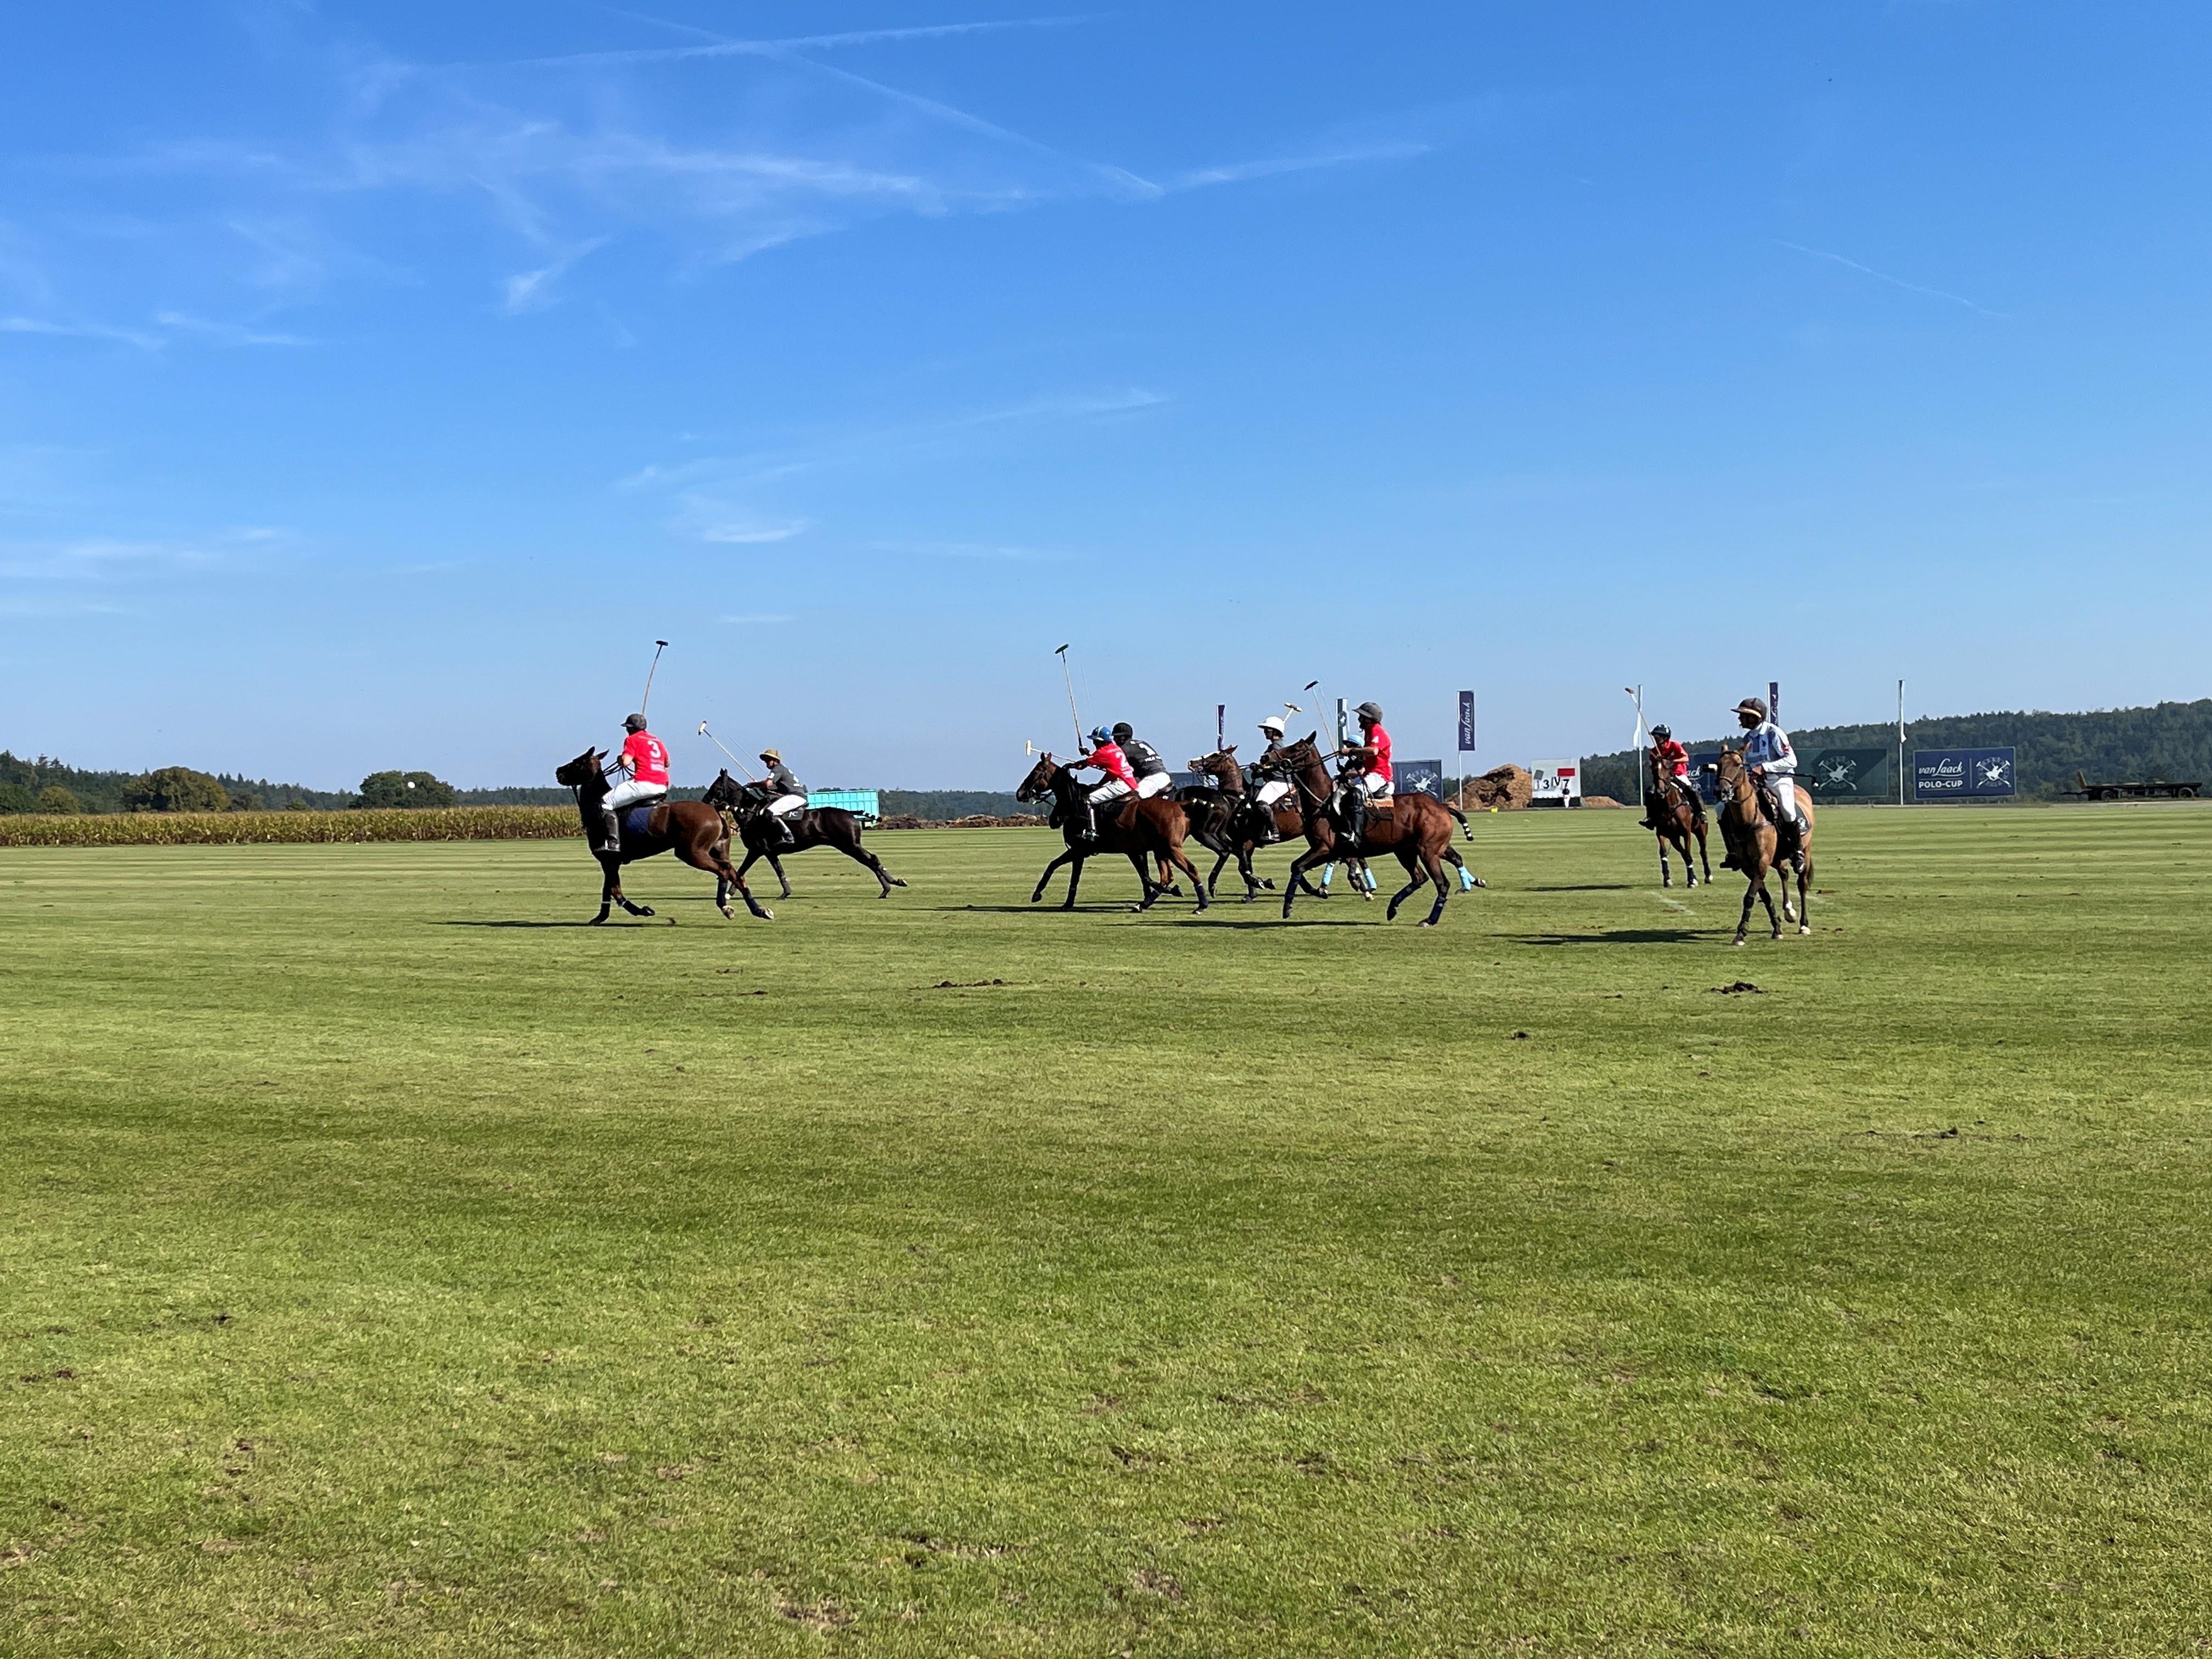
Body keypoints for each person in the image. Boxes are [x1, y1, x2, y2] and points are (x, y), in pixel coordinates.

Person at [1729, 696, 1803, 866]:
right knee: (1724, 808)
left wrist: (1764, 768)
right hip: (1755, 783)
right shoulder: (1747, 738)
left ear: (1754, 717)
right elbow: (1747, 764)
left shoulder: (1774, 733)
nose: (1740, 719)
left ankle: (1797, 850)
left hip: (1778, 779)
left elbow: (1792, 760)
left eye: (1743, 715)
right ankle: (1734, 851)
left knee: (1787, 809)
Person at [600, 713, 669, 853]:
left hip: (644, 782)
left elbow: (626, 762)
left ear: (631, 729)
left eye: (627, 728)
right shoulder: (657, 741)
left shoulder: (631, 739)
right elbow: (667, 763)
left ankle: (613, 843)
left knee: (606, 802)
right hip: (663, 784)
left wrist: (621, 758)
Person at [1335, 701, 1393, 849]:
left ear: (1369, 719)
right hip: (1371, 773)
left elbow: (1373, 751)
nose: (1359, 719)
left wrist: (1351, 751)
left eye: (1362, 716)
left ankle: (1355, 834)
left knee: (1356, 794)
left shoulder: (1376, 730)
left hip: (1380, 775)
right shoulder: (1369, 731)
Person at [1064, 725, 1136, 841]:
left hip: (1121, 785)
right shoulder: (1115, 748)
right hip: (1130, 783)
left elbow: (1082, 765)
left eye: (1095, 741)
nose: (1094, 744)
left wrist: (1070, 766)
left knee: (1087, 799)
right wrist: (1099, 785)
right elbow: (1110, 772)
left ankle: (1091, 832)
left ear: (1100, 741)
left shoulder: (1102, 753)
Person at [1246, 714, 1295, 844]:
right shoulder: (1274, 746)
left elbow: (1275, 767)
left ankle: (1274, 832)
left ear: (1275, 732)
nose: (1265, 733)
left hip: (1279, 782)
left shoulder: (1276, 747)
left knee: (1261, 803)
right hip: (1275, 781)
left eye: (1267, 730)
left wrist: (1261, 769)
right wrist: (1259, 769)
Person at [1640, 724, 1694, 829]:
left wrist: (1671, 761)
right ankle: (1651, 818)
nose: (1655, 739)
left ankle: (1700, 812)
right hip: (1664, 777)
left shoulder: (1675, 746)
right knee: (1650, 793)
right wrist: (1656, 763)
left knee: (1691, 790)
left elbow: (1686, 758)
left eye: (1657, 737)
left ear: (1665, 738)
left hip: (1678, 774)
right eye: (1654, 737)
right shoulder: (1654, 751)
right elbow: (1653, 767)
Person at [755, 748, 808, 849]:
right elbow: (771, 788)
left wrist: (755, 784)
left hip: (795, 796)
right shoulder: (782, 770)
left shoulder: (777, 768)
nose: (766, 761)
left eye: (769, 759)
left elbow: (767, 783)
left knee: (770, 812)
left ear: (776, 761)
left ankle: (787, 835)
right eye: (765, 759)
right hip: (796, 796)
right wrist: (760, 786)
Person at [1114, 723, 1174, 800]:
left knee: (1132, 800)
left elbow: (1116, 766)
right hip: (1163, 776)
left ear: (1122, 738)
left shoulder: (1124, 749)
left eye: (1116, 737)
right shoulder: (1142, 743)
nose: (1114, 740)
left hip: (1153, 778)